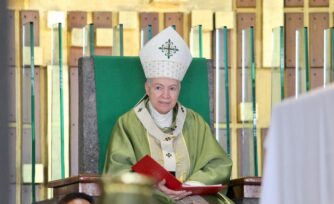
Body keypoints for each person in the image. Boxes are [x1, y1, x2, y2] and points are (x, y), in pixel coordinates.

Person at [103, 27, 233, 204]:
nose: (166, 96)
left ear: (179, 89)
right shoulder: (128, 124)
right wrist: (154, 186)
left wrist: (190, 186)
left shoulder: (194, 122)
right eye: (158, 87)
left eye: (172, 88)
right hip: (148, 197)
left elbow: (219, 165)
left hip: (191, 198)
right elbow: (117, 173)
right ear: (147, 89)